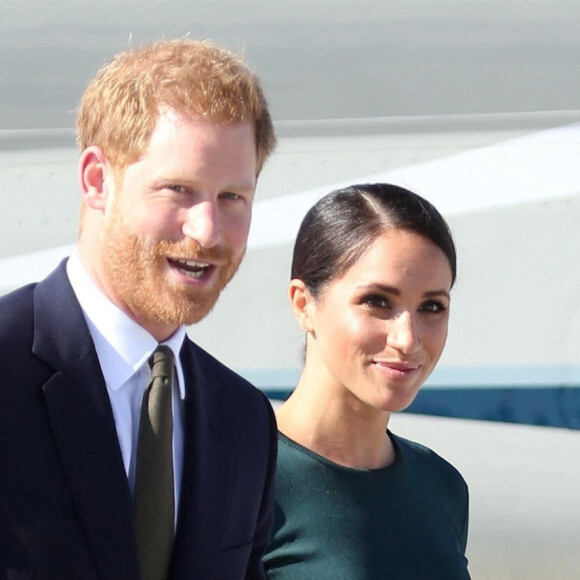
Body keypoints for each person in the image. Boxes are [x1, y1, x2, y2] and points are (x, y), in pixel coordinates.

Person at [0, 39, 278, 579]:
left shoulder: (244, 424)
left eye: (232, 198)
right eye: (178, 189)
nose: (207, 231)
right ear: (96, 181)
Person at [264, 183, 471, 579]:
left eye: (432, 307)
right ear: (303, 304)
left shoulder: (441, 486)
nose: (407, 339)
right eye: (377, 301)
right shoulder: (240, 480)